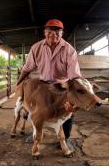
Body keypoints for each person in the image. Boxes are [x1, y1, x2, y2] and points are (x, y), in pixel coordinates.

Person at [16, 19, 81, 151]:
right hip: (43, 84)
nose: (53, 34)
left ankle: (66, 138)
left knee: (67, 112)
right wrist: (18, 83)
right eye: (50, 31)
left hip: (62, 86)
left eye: (57, 31)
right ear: (45, 32)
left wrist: (75, 97)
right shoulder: (36, 47)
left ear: (62, 33)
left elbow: (74, 75)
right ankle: (35, 134)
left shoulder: (69, 50)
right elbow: (27, 68)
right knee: (34, 109)